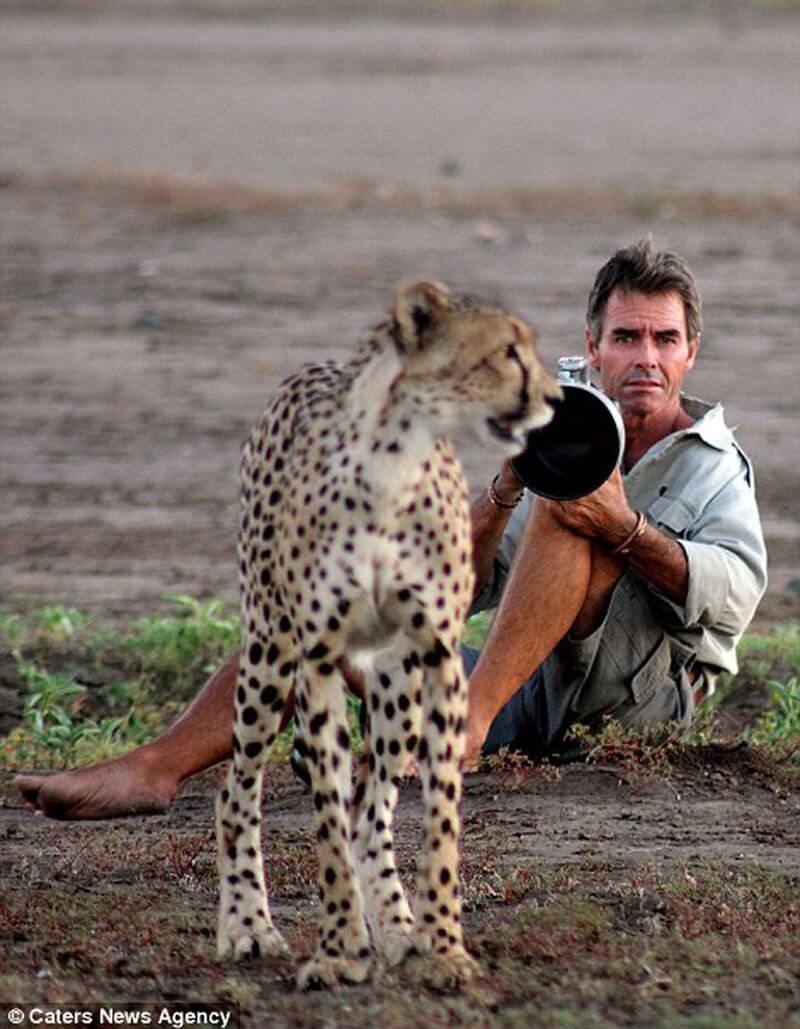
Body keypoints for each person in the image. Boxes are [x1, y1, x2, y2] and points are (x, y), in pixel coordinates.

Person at [15, 237, 767, 819]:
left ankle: (460, 727)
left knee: (579, 517)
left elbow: (735, 599)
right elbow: (462, 593)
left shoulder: (714, 463)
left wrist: (626, 530)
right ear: (593, 346)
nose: (646, 358)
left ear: (691, 352)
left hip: (635, 701)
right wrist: (507, 486)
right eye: (628, 338)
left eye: (665, 340)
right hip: (528, 688)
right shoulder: (561, 424)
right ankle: (155, 769)